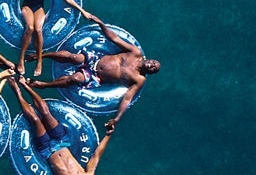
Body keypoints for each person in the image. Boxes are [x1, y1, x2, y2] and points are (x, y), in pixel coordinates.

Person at [0, 79, 111, 175]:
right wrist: (108, 135)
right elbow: (96, 155)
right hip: (62, 141)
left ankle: (17, 91)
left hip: (47, 149)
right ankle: (25, 85)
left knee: (35, 120)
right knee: (45, 111)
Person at [28, 18, 160, 133]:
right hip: (95, 58)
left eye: (154, 69)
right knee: (73, 57)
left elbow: (127, 98)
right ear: (150, 59)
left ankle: (44, 85)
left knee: (74, 79)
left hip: (96, 77)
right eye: (154, 63)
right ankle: (40, 56)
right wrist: (100, 23)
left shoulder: (138, 79)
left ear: (151, 73)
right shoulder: (135, 52)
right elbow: (114, 38)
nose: (152, 65)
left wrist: (116, 118)